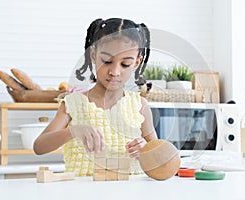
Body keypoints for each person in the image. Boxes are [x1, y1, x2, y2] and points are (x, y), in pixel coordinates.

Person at [33, 18, 158, 176]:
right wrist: (73, 131)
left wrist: (146, 148)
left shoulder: (140, 105)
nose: (115, 71)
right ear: (93, 54)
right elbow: (39, 146)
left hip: (130, 191)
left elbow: (159, 154)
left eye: (125, 64)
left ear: (137, 62)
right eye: (106, 61)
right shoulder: (73, 105)